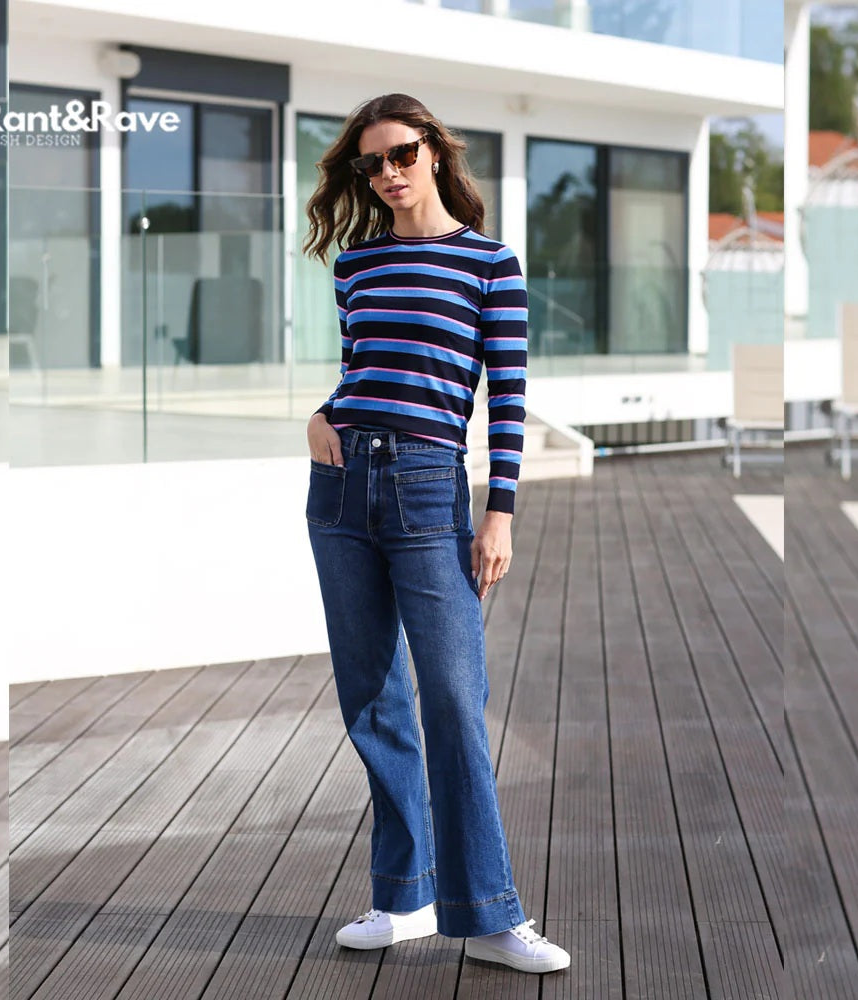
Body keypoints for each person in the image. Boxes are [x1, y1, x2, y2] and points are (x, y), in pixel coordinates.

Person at [301, 93, 569, 976]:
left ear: (435, 152)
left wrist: (500, 512)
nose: (388, 173)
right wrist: (320, 415)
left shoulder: (490, 262)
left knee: (453, 697)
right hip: (341, 488)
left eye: (402, 154)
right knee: (373, 700)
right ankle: (404, 894)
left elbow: (508, 397)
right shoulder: (356, 264)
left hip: (427, 488)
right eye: (370, 163)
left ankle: (490, 915)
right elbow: (363, 368)